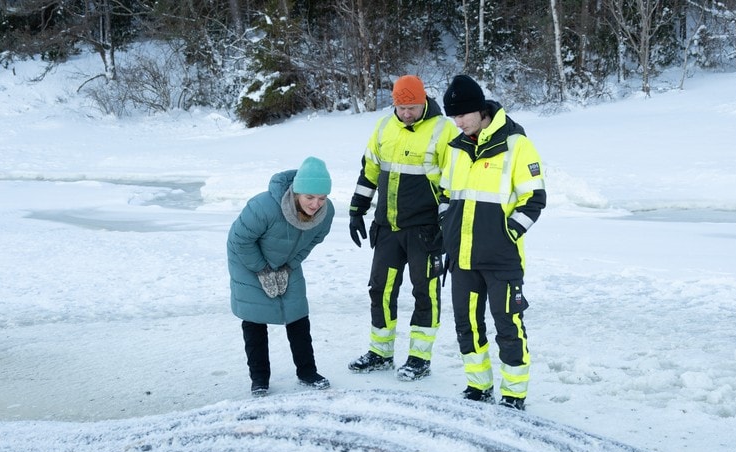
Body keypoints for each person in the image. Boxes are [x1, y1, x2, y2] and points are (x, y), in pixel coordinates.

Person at [439, 75, 546, 411]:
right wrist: (447, 229)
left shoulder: (516, 144)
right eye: (453, 117)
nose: (457, 122)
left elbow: (534, 199)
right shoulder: (456, 148)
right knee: (466, 324)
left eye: (462, 116)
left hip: (502, 259)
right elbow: (446, 195)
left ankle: (514, 393)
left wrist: (508, 233)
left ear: (480, 110)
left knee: (508, 326)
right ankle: (478, 385)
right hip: (463, 256)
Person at [347, 75, 460, 381]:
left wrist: (447, 225)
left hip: (426, 230)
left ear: (423, 101)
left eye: (412, 107)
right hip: (388, 227)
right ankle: (381, 353)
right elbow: (369, 170)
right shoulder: (384, 127)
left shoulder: (443, 129)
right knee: (380, 290)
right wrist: (357, 210)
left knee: (426, 293)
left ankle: (419, 358)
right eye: (401, 107)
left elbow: (453, 182)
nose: (407, 113)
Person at [227, 156, 335, 396]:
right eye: (309, 197)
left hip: (286, 261)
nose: (316, 204)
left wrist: (289, 266)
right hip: (248, 259)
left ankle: (307, 371)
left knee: (297, 314)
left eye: (322, 198)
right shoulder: (263, 207)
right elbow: (240, 240)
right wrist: (262, 270)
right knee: (255, 317)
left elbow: (314, 241)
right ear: (296, 192)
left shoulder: (326, 214)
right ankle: (260, 379)